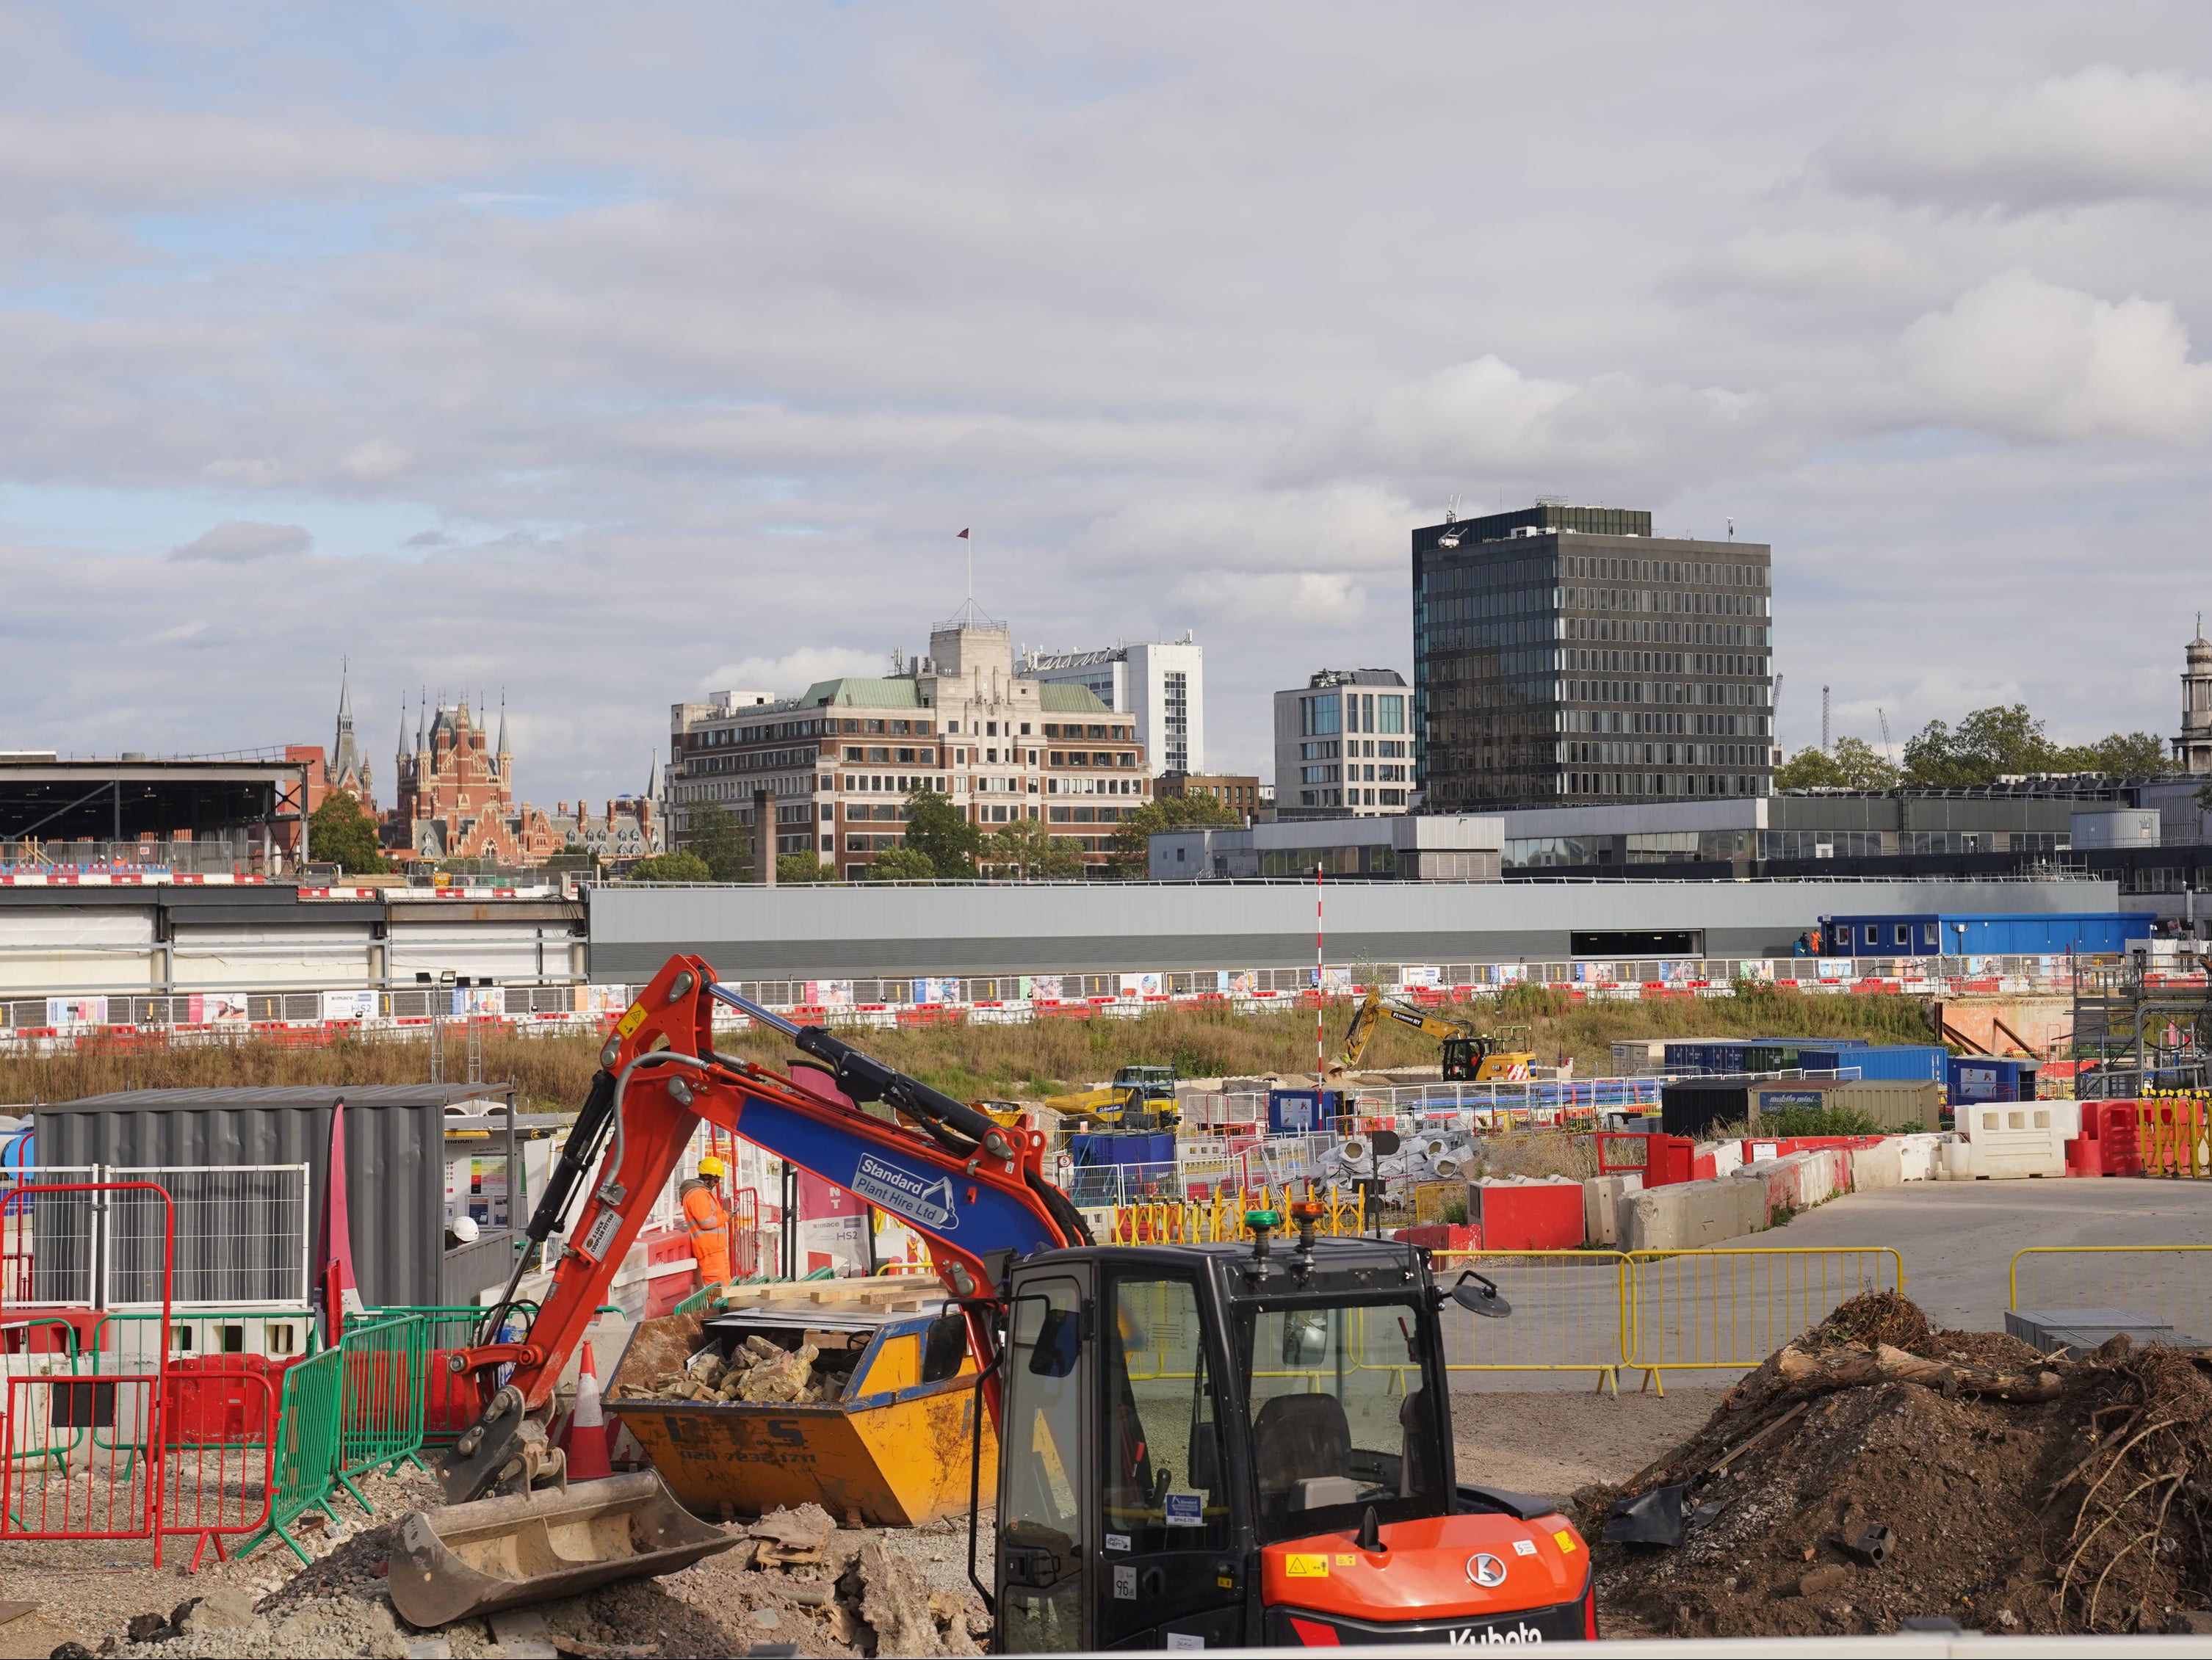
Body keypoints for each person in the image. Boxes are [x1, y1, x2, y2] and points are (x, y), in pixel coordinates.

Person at [679, 1156, 731, 1289]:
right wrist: (726, 1216)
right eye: (716, 1179)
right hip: (709, 1249)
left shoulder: (702, 1192)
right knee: (718, 1289)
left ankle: (725, 1309)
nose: (717, 1183)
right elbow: (706, 1222)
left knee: (725, 1286)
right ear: (707, 1177)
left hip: (715, 1248)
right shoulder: (698, 1195)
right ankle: (719, 1310)